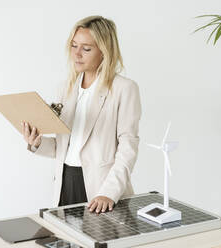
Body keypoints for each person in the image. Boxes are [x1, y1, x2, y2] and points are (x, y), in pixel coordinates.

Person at [21, 16, 141, 214]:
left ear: (104, 51)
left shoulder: (124, 89)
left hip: (101, 186)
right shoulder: (65, 88)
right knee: (66, 242)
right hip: (65, 181)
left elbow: (128, 146)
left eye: (86, 49)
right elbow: (64, 147)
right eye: (74, 46)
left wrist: (109, 192)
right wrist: (36, 143)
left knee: (98, 242)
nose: (77, 54)